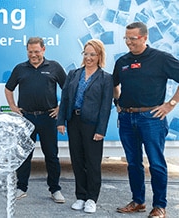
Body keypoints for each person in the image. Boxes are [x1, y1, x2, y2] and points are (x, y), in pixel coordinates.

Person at [113, 21, 179, 218]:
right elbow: (114, 84)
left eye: (133, 39)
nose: (128, 43)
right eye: (126, 38)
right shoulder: (122, 61)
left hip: (151, 119)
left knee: (156, 163)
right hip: (126, 118)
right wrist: (118, 102)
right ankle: (138, 201)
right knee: (133, 163)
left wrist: (170, 104)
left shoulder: (161, 58)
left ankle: (160, 206)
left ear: (144, 37)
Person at [5, 36, 67, 203]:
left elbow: (68, 88)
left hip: (48, 118)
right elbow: (8, 88)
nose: (33, 55)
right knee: (25, 154)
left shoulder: (54, 67)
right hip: (26, 118)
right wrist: (12, 107)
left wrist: (60, 108)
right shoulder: (20, 68)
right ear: (27, 51)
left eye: (37, 51)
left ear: (43, 50)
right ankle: (21, 187)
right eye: (30, 52)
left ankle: (55, 189)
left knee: (51, 155)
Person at [57, 39, 113, 213]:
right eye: (86, 54)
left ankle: (91, 198)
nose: (88, 58)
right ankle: (80, 196)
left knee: (93, 163)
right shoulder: (73, 74)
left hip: (92, 125)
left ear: (99, 56)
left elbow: (105, 106)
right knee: (78, 161)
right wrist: (61, 121)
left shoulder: (106, 78)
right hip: (74, 122)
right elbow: (65, 98)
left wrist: (101, 130)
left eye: (92, 54)